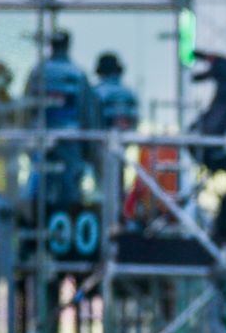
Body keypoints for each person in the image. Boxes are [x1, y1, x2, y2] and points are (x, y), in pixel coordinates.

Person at [24, 31, 95, 211]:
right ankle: (66, 220)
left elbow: (27, 107)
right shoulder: (77, 73)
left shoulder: (37, 71)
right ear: (68, 45)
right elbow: (86, 112)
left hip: (41, 136)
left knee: (40, 181)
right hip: (70, 138)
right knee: (69, 185)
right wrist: (88, 148)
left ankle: (37, 219)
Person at [94, 52, 140, 130]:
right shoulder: (129, 93)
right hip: (127, 135)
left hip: (102, 135)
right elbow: (135, 117)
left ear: (100, 72)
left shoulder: (96, 92)